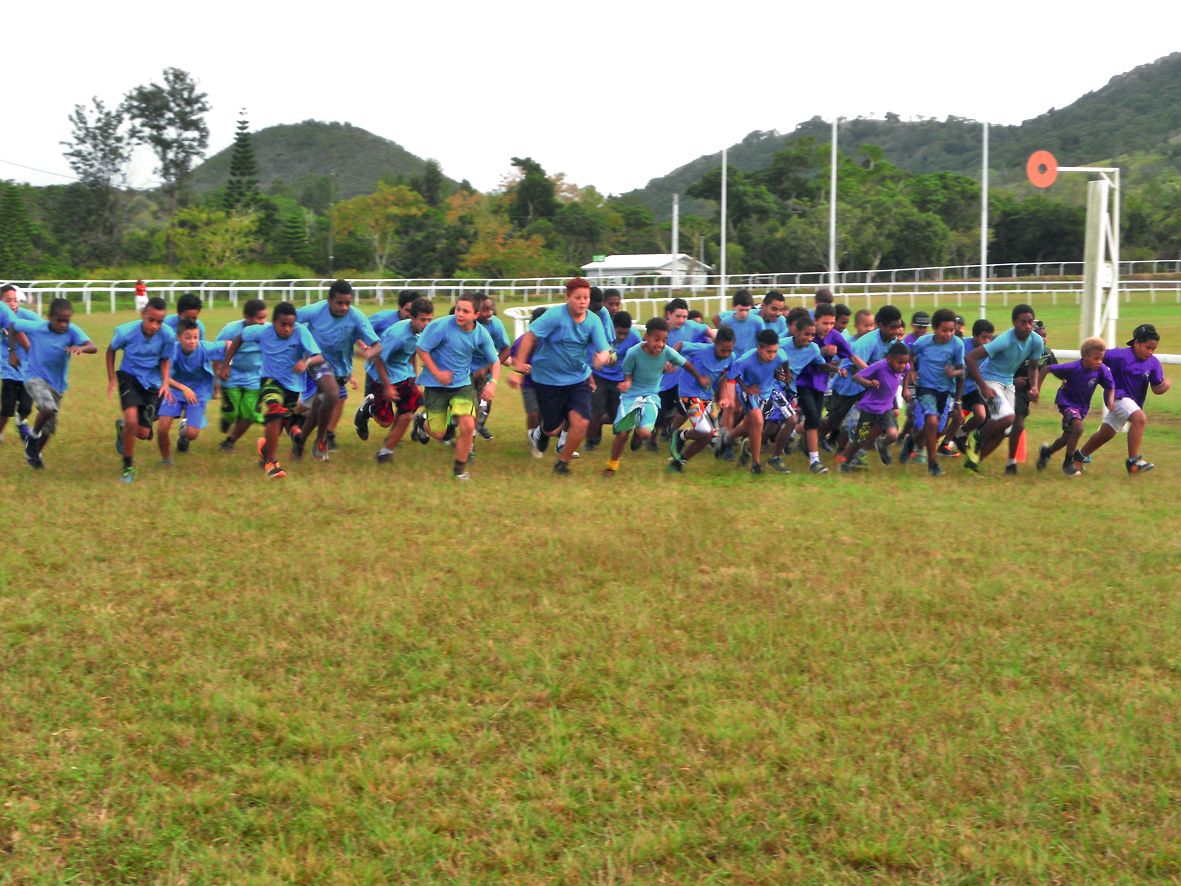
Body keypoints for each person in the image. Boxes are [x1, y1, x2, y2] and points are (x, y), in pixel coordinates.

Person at [513, 277, 610, 476]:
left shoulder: (593, 321)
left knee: (581, 422)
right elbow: (530, 336)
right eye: (578, 298)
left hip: (577, 379)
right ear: (568, 297)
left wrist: (603, 357)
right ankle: (539, 432)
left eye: (586, 298)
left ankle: (562, 463)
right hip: (547, 381)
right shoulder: (554, 315)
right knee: (553, 429)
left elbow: (604, 349)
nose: (583, 302)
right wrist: (520, 365)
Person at [220, 302, 324, 479]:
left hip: (292, 385)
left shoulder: (301, 332)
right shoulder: (262, 331)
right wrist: (226, 364)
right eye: (283, 324)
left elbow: (319, 357)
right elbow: (239, 338)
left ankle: (265, 450)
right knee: (274, 411)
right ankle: (271, 463)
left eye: (291, 324)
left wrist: (305, 362)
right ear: (274, 322)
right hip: (269, 381)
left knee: (280, 421)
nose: (288, 329)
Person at [602, 317, 709, 477]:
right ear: (647, 337)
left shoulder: (667, 352)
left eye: (664, 340)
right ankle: (612, 465)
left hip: (651, 396)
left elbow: (685, 363)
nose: (660, 344)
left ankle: (638, 432)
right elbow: (628, 374)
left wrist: (699, 377)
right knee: (622, 434)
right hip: (631, 396)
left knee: (645, 433)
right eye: (656, 339)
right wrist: (627, 383)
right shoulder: (634, 353)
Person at [412, 292, 500, 480]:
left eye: (465, 311)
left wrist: (493, 384)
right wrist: (437, 373)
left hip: (462, 384)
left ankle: (459, 471)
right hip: (435, 385)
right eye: (458, 309)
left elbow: (495, 361)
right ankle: (421, 422)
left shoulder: (481, 334)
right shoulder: (441, 326)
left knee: (468, 425)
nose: (459, 314)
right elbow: (422, 348)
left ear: (476, 315)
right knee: (439, 432)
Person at [295, 279, 380, 460]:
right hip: (317, 361)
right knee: (333, 395)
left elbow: (377, 345)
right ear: (329, 300)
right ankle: (321, 441)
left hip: (341, 370)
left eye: (347, 303)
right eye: (339, 303)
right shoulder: (315, 310)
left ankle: (299, 443)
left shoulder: (356, 316)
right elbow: (289, 320)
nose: (343, 307)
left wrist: (369, 353)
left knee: (319, 407)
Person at [1075, 323, 1171, 474]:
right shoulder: (1118, 355)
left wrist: (1165, 385)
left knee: (1106, 434)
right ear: (1136, 342)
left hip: (1131, 404)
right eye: (1148, 347)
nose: (1151, 352)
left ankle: (1078, 456)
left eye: (1154, 349)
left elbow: (1156, 388)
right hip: (1116, 397)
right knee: (1140, 418)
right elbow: (1092, 356)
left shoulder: (1153, 363)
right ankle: (1134, 462)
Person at [13, 299, 94, 470]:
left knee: (49, 429)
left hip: (56, 385)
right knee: (48, 407)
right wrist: (12, 352)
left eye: (67, 320)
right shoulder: (37, 327)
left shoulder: (72, 331)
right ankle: (32, 436)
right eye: (60, 320)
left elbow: (92, 346)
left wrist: (82, 348)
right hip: (34, 377)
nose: (64, 324)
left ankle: (33, 454)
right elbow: (14, 325)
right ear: (50, 317)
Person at [963, 304, 1042, 473]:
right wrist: (983, 386)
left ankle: (973, 462)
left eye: (1030, 322)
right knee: (1007, 418)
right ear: (1014, 322)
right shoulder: (1005, 340)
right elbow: (970, 357)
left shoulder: (1036, 341)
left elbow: (1034, 366)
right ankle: (976, 436)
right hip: (989, 380)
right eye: (1023, 322)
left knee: (1005, 429)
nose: (1028, 326)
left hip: (1008, 383)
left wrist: (1034, 386)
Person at [355, 296, 434, 462]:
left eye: (429, 319)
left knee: (407, 413)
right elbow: (378, 358)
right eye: (422, 320)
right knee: (385, 421)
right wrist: (388, 386)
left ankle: (386, 452)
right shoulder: (397, 334)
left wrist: (414, 376)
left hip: (404, 377)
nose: (426, 324)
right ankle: (368, 409)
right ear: (411, 317)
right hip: (380, 377)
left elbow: (412, 352)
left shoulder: (422, 332)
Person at [107, 296, 176, 483]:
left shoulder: (167, 335)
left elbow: (165, 359)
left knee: (144, 433)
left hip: (152, 381)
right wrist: (112, 377)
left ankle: (123, 429)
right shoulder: (126, 332)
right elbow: (111, 350)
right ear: (142, 315)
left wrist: (164, 382)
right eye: (150, 320)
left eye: (159, 322)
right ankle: (128, 467)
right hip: (130, 377)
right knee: (131, 419)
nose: (154, 326)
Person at [770, 311, 842, 474]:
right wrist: (775, 372)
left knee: (778, 424)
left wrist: (836, 369)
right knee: (791, 420)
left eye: (812, 335)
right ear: (796, 332)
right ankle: (771, 456)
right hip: (772, 389)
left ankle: (812, 461)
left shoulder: (813, 348)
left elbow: (820, 364)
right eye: (806, 334)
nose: (809, 338)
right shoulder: (781, 344)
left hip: (789, 391)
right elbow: (764, 359)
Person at [714, 329, 790, 475]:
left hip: (767, 392)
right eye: (769, 352)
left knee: (749, 425)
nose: (773, 355)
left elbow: (785, 360)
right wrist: (745, 387)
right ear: (759, 348)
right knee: (758, 421)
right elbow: (731, 376)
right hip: (749, 393)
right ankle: (756, 464)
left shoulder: (779, 355)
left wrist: (786, 374)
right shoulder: (745, 360)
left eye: (775, 351)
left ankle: (727, 438)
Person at [1035, 337, 1114, 476]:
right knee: (1078, 428)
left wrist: (1111, 402)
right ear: (1085, 356)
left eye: (1101, 358)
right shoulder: (1072, 367)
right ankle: (1068, 464)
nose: (1099, 361)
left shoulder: (1101, 370)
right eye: (1096, 358)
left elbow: (1110, 386)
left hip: (1081, 407)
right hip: (1066, 403)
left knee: (1068, 437)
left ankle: (1046, 452)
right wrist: (1036, 389)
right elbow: (1046, 369)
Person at [157, 318, 228, 464]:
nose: (192, 341)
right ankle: (166, 461)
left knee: (192, 434)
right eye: (188, 337)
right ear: (179, 337)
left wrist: (227, 365)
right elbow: (164, 376)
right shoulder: (172, 351)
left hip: (198, 391)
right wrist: (183, 388)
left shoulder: (204, 348)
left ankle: (183, 433)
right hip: (175, 390)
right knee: (162, 428)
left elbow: (229, 344)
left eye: (196, 337)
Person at [903, 308, 964, 477]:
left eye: (951, 330)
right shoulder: (923, 342)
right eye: (944, 330)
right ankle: (932, 464)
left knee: (936, 427)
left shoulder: (957, 345)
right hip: (925, 388)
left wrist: (954, 377)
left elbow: (962, 372)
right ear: (935, 329)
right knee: (931, 421)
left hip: (945, 391)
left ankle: (912, 442)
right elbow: (909, 356)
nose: (948, 334)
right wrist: (912, 370)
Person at [792, 304, 852, 473]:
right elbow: (792, 350)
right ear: (815, 320)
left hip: (820, 384)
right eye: (825, 323)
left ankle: (792, 434)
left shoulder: (835, 336)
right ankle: (814, 461)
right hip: (802, 382)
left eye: (832, 323)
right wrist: (823, 350)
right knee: (813, 418)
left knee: (815, 421)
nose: (829, 327)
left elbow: (851, 355)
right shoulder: (806, 335)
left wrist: (868, 370)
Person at [668, 327, 737, 471]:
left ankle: (679, 461)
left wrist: (723, 396)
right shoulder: (701, 349)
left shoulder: (731, 358)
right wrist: (670, 361)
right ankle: (680, 435)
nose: (726, 354)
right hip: (688, 393)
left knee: (709, 436)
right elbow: (680, 344)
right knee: (706, 431)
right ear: (715, 343)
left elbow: (724, 379)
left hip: (707, 397)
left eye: (729, 350)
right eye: (723, 350)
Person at [840, 342, 911, 472]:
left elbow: (907, 371)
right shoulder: (879, 366)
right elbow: (856, 377)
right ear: (889, 358)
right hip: (869, 410)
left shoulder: (905, 366)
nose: (902, 366)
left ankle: (881, 444)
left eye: (904, 362)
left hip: (885, 410)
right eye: (899, 362)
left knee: (893, 435)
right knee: (860, 439)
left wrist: (905, 389)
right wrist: (869, 383)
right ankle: (846, 462)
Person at [213, 299, 268, 451]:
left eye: (265, 318)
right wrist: (217, 375)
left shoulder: (268, 330)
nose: (263, 322)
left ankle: (230, 441)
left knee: (249, 413)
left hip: (255, 378)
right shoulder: (231, 329)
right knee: (232, 412)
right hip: (232, 377)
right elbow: (217, 352)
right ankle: (227, 418)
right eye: (259, 318)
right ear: (247, 317)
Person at [1007, 318, 1057, 474]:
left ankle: (1011, 460)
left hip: (1026, 395)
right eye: (1039, 335)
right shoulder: (1018, 352)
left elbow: (1058, 370)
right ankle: (1011, 461)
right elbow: (1000, 371)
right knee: (1013, 423)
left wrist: (1067, 381)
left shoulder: (1047, 354)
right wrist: (1013, 380)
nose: (1043, 339)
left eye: (1045, 335)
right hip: (1010, 390)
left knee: (1015, 424)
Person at [586, 311, 639, 450]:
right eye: (619, 333)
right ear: (612, 327)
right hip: (599, 376)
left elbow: (640, 356)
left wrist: (631, 379)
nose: (621, 337)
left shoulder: (634, 337)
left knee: (616, 414)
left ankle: (621, 437)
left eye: (625, 334)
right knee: (596, 411)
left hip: (619, 380)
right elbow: (590, 352)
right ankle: (591, 441)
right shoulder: (601, 333)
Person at [945, 319, 995, 455]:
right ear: (974, 336)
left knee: (981, 416)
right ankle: (939, 443)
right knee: (947, 423)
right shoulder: (961, 346)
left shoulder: (989, 350)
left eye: (990, 338)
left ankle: (959, 435)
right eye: (984, 337)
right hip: (955, 389)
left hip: (972, 388)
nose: (987, 341)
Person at [0, 284, 39, 443]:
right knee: (7, 409)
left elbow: (43, 326)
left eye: (15, 300)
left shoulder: (26, 315)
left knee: (26, 407)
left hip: (27, 370)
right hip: (7, 369)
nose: (13, 303)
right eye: (8, 300)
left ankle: (20, 421)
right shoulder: (2, 315)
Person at [504, 307, 547, 447]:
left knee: (544, 414)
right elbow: (512, 358)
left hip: (548, 383)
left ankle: (540, 435)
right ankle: (531, 437)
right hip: (528, 383)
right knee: (533, 413)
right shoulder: (522, 340)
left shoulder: (552, 341)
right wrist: (520, 366)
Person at [473, 296, 512, 440]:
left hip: (485, 369)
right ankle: (452, 429)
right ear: (476, 311)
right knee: (465, 404)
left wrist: (488, 368)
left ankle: (480, 426)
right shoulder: (467, 323)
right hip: (465, 369)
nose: (490, 313)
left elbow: (506, 349)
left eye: (491, 308)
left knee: (486, 401)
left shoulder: (495, 324)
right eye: (485, 309)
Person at [713, 289, 765, 355]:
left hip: (750, 360)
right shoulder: (726, 322)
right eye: (741, 310)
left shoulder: (758, 322)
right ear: (734, 307)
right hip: (732, 361)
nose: (744, 313)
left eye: (747, 310)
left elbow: (763, 342)